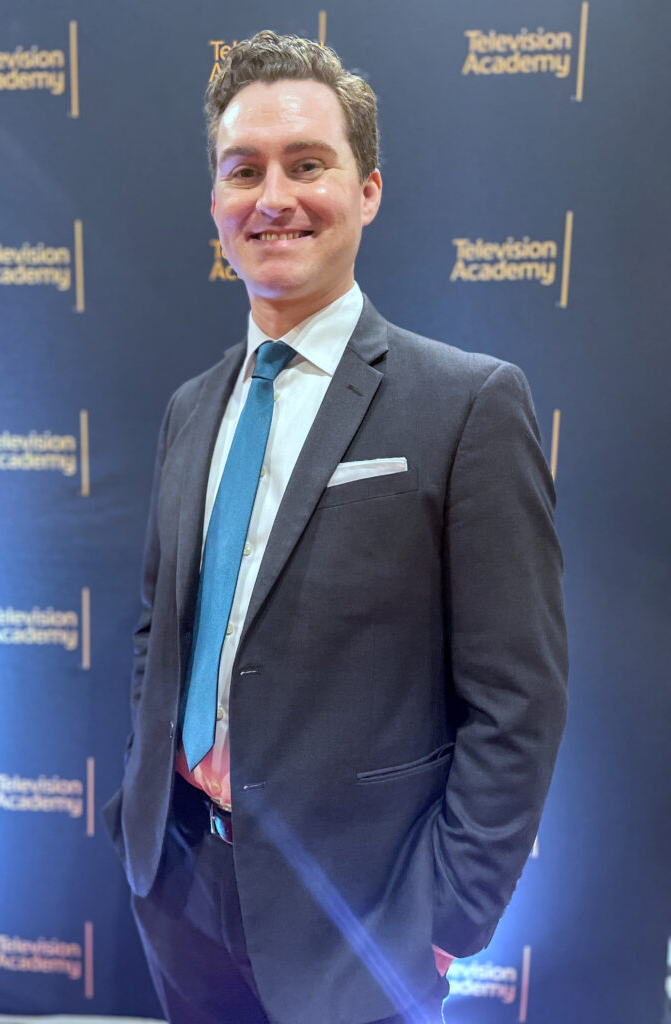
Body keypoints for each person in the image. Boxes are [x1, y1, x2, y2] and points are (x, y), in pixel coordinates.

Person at [103, 30, 568, 1024]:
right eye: (245, 170)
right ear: (217, 204)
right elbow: (162, 626)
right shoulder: (194, 406)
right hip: (180, 885)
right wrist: (145, 819)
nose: (275, 196)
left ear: (367, 191)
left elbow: (518, 698)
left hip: (362, 929)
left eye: (308, 164)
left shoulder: (468, 405)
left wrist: (448, 918)